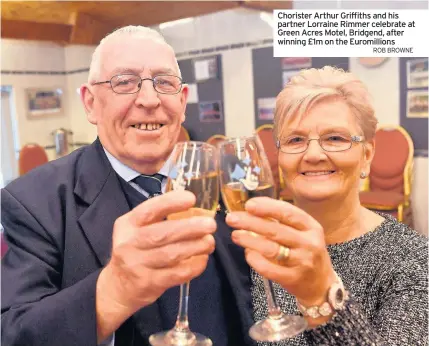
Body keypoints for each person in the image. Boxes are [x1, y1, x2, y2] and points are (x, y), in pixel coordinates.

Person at [1, 26, 255, 346]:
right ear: (90, 103)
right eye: (124, 82)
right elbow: (12, 333)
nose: (149, 100)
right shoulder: (34, 201)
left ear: (182, 99)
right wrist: (112, 292)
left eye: (163, 82)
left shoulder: (228, 180)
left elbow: (257, 298)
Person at [225, 66, 428, 345]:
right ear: (280, 155)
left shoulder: (413, 259)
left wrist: (321, 297)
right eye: (295, 140)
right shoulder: (255, 244)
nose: (314, 154)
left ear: (366, 155)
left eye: (335, 138)